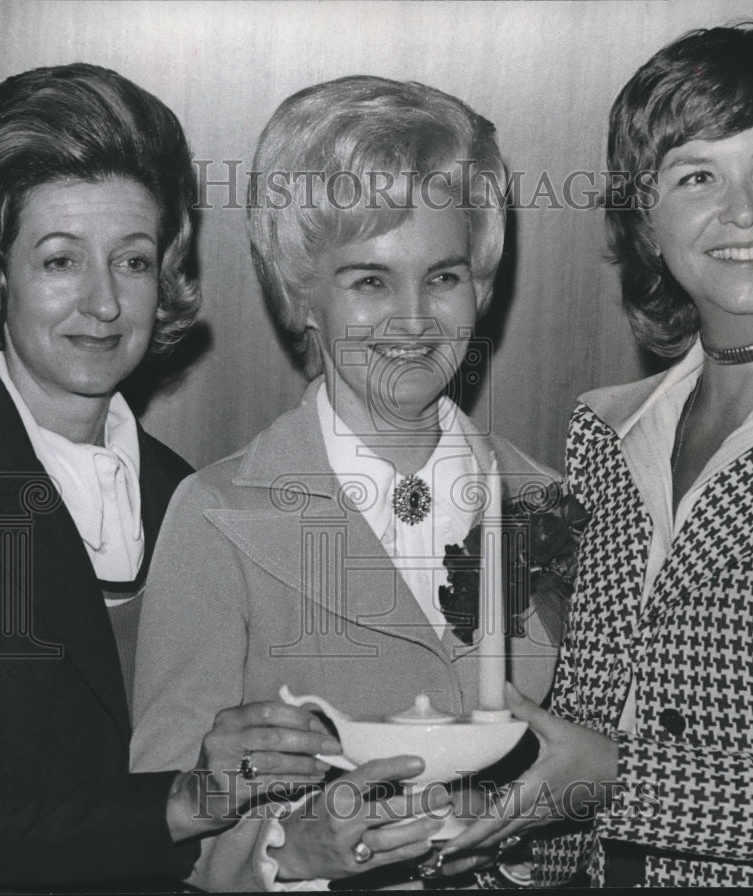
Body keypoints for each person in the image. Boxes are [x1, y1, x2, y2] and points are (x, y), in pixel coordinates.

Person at [443, 24, 753, 889]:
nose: (743, 211)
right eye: (698, 175)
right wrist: (484, 854)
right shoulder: (610, 437)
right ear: (645, 221)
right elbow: (588, 733)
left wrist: (623, 779)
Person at [130, 75, 564, 890]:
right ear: (302, 295)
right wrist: (289, 855)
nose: (413, 320)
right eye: (369, 280)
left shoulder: (558, 508)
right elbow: (160, 829)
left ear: (483, 283)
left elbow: (607, 789)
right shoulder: (219, 517)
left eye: (443, 276)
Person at [0, 63, 340, 894]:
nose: (104, 303)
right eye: (61, 261)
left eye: (134, 261)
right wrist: (194, 800)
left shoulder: (192, 491)